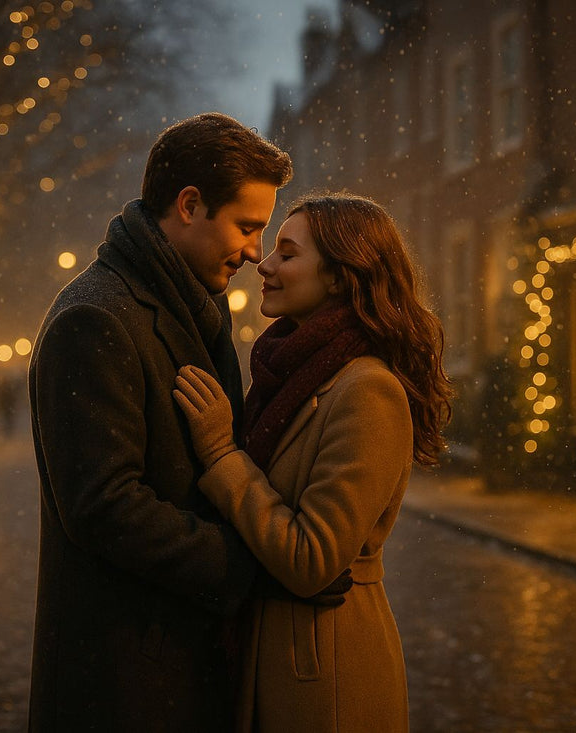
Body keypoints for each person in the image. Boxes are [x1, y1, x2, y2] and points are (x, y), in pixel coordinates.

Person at [29, 112, 317, 731]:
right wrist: (253, 568)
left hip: (175, 668)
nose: (253, 253)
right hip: (126, 679)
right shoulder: (98, 318)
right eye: (246, 228)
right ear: (189, 204)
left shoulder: (188, 302)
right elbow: (105, 507)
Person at [174, 192, 453, 731]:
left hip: (326, 672)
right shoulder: (294, 373)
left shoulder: (367, 390)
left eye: (287, 252)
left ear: (339, 277)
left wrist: (219, 452)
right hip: (276, 653)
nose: (265, 263)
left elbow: (312, 560)